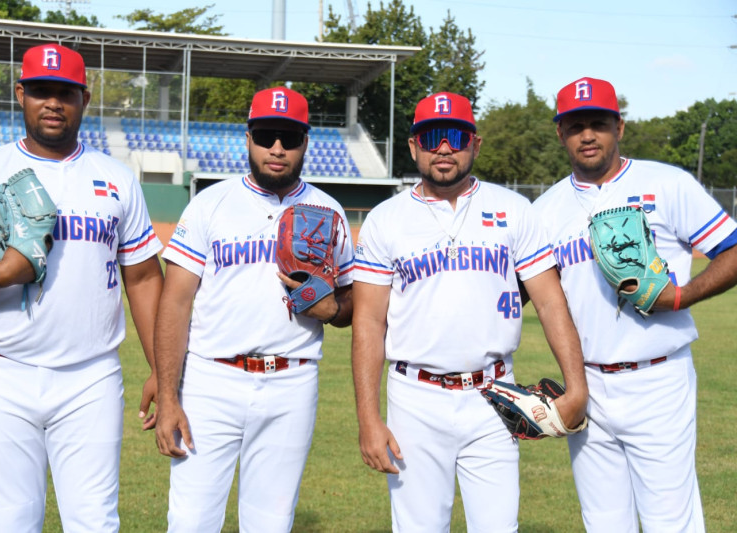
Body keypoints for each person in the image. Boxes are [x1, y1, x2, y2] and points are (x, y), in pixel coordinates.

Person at [0, 43, 164, 531]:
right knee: (9, 522)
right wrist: (1, 273)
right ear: (21, 94)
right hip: (3, 370)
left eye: (65, 92)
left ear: (85, 98)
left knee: (95, 522)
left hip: (92, 375)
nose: (53, 103)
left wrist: (160, 370)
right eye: (42, 90)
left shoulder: (116, 178)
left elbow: (143, 277)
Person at [351, 91, 588, 532]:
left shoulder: (514, 209)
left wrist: (576, 386)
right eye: (432, 136)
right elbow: (368, 320)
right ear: (413, 146)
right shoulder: (386, 219)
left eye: (456, 137)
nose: (444, 148)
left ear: (475, 144)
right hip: (414, 398)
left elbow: (552, 300)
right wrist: (369, 419)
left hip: (494, 395)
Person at [533, 76, 737, 533]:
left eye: (599, 124)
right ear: (560, 133)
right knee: (604, 522)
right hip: (585, 384)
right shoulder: (545, 211)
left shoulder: (666, 184)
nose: (588, 135)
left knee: (671, 522)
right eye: (575, 125)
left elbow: (733, 249)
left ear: (619, 127)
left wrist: (683, 295)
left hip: (658, 378)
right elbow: (529, 295)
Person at [153, 86, 354, 532]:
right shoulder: (210, 204)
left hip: (293, 381)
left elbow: (351, 301)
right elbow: (175, 302)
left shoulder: (328, 209)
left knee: (271, 523)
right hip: (212, 379)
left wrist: (331, 308)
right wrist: (169, 396)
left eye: (289, 137)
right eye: (266, 136)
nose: (277, 148)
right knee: (190, 521)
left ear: (306, 141)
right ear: (248, 139)